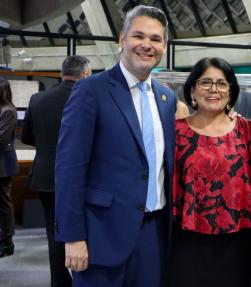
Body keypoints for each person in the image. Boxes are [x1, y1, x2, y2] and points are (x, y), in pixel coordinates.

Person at [55, 5, 176, 287]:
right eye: (139, 36)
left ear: (165, 46)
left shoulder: (166, 99)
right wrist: (73, 237)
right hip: (100, 236)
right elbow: (69, 169)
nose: (147, 45)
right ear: (122, 40)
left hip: (153, 235)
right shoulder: (90, 91)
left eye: (156, 39)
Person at [167, 57, 251, 287]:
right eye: (205, 82)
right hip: (187, 240)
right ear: (192, 89)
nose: (214, 89)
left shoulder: (248, 131)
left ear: (231, 91)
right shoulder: (175, 132)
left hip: (237, 241)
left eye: (222, 83)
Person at [20, 55, 91, 286]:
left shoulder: (38, 99)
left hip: (45, 177)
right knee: (84, 233)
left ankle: (59, 282)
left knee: (54, 235)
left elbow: (26, 136)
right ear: (85, 74)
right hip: (83, 179)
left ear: (63, 73)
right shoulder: (89, 99)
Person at [0, 77, 18, 258]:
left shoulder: (8, 111)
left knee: (4, 204)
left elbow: (1, 138)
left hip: (3, 166)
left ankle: (7, 240)